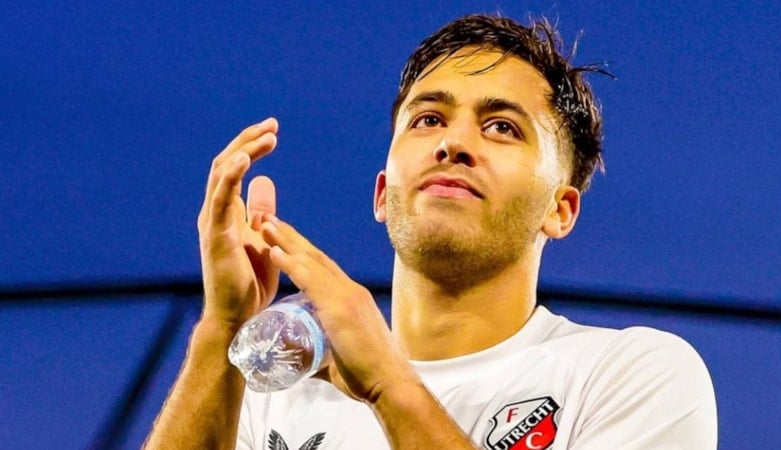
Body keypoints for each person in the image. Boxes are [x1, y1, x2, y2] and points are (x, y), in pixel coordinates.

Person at [145, 14, 717, 449]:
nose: (453, 143)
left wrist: (389, 384)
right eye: (428, 119)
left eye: (502, 127)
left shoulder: (630, 373)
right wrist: (223, 329)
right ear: (382, 194)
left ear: (560, 209)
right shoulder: (269, 395)